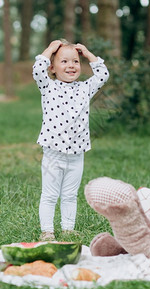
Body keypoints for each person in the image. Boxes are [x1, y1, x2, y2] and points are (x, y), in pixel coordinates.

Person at [32, 39, 109, 241]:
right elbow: (37, 69)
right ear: (53, 68)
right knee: (49, 195)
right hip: (52, 153)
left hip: (77, 154)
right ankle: (47, 231)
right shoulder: (47, 87)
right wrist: (50, 49)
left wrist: (87, 53)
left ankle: (68, 228)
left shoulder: (85, 88)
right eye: (64, 61)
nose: (71, 66)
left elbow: (103, 75)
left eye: (75, 61)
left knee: (69, 195)